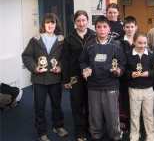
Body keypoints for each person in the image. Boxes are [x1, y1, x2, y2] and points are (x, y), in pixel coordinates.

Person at [22, 13, 68, 141]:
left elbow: (65, 58)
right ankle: (41, 132)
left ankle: (58, 126)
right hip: (39, 79)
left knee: (57, 104)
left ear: (56, 25)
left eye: (52, 23)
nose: (50, 25)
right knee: (39, 106)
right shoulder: (35, 40)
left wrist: (60, 67)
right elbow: (26, 56)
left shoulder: (61, 40)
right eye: (47, 23)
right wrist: (34, 67)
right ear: (44, 25)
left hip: (54, 78)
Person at [80, 15, 126, 141]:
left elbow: (122, 63)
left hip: (111, 85)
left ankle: (115, 135)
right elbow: (82, 61)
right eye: (99, 27)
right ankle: (96, 135)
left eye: (104, 27)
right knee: (95, 114)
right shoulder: (89, 45)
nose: (102, 30)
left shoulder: (116, 45)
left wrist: (119, 71)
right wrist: (86, 69)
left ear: (109, 29)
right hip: (93, 86)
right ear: (95, 29)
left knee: (112, 114)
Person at [62, 10, 95, 141]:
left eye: (83, 20)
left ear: (87, 21)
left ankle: (89, 128)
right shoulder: (69, 38)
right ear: (74, 22)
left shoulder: (94, 35)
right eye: (78, 21)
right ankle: (80, 131)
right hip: (75, 76)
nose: (81, 23)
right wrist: (65, 79)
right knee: (77, 104)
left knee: (90, 104)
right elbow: (65, 59)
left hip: (91, 76)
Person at [126, 33, 154, 141]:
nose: (142, 45)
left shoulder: (151, 55)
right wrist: (131, 74)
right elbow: (125, 71)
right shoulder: (128, 54)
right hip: (134, 89)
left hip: (148, 89)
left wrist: (149, 73)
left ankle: (151, 135)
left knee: (149, 114)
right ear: (134, 42)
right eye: (139, 43)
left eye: (144, 43)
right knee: (134, 114)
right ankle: (134, 135)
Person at [119, 16, 138, 133]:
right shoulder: (119, 43)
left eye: (132, 27)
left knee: (135, 100)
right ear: (123, 28)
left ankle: (136, 124)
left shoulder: (140, 40)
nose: (130, 29)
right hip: (123, 77)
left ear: (136, 27)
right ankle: (124, 123)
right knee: (124, 100)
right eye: (127, 27)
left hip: (137, 77)